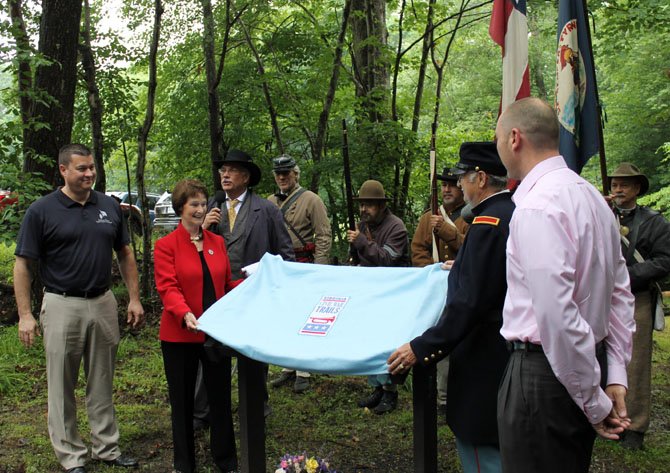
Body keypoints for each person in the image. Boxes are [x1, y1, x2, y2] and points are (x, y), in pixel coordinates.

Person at [494, 98, 635, 472]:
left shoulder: (538, 207)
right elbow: (620, 292)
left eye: (496, 137)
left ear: (513, 138)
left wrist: (593, 400)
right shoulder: (592, 198)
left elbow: (558, 316)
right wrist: (613, 374)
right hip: (581, 369)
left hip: (546, 379)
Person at [13, 144, 143, 473]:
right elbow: (23, 264)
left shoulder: (109, 207)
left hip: (102, 302)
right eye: (81, 169)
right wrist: (26, 315)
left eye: (91, 168)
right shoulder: (42, 211)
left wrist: (134, 298)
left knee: (102, 379)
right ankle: (72, 457)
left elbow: (125, 253)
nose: (89, 174)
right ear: (63, 170)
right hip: (61, 304)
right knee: (61, 384)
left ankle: (107, 448)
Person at [388, 142, 513, 472]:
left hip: (484, 360)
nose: (459, 185)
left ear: (482, 178)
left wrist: (422, 347)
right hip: (506, 357)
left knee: (482, 454)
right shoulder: (510, 213)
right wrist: (461, 267)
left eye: (464, 177)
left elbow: (470, 303)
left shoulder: (488, 223)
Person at [154, 179, 241, 473]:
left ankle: (226, 460)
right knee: (182, 403)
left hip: (214, 333)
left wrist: (254, 281)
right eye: (194, 204)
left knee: (220, 398)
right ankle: (184, 464)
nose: (201, 209)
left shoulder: (217, 242)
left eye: (204, 204)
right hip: (179, 335)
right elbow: (168, 287)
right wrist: (184, 313)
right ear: (181, 208)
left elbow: (227, 285)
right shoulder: (166, 246)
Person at [202, 149, 294, 418]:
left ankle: (256, 405)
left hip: (254, 293)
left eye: (231, 170)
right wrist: (204, 228)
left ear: (246, 177)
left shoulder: (265, 210)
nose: (225, 175)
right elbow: (192, 247)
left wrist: (281, 290)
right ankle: (212, 408)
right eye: (222, 171)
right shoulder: (211, 206)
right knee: (214, 349)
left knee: (253, 351)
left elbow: (284, 254)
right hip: (217, 294)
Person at [607, 163, 670, 450]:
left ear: (636, 189)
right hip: (604, 299)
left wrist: (627, 277)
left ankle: (635, 427)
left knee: (635, 362)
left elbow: (665, 261)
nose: (618, 190)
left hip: (636, 298)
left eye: (624, 185)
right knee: (601, 359)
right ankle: (606, 417)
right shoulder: (602, 214)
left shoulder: (655, 222)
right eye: (615, 184)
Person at [267, 154, 332, 393]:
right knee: (285, 317)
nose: (282, 177)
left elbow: (323, 235)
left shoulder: (312, 200)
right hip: (280, 266)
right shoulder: (269, 202)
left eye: (286, 173)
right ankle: (288, 367)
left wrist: (319, 269)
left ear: (296, 174)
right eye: (278, 173)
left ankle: (304, 370)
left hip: (305, 265)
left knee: (305, 318)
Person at [410, 166, 469, 416]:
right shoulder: (429, 217)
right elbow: (417, 251)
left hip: (460, 291)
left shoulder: (471, 217)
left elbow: (471, 250)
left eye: (452, 185)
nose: (446, 189)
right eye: (443, 185)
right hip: (433, 292)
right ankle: (435, 394)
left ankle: (450, 396)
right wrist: (433, 270)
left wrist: (447, 232)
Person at [347, 180, 409, 414]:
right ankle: (376, 388)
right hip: (368, 292)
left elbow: (388, 259)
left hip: (392, 294)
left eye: (370, 204)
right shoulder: (361, 226)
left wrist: (362, 242)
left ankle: (390, 392)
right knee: (368, 339)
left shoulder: (397, 227)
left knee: (389, 344)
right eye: (362, 204)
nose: (364, 209)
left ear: (382, 206)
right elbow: (356, 259)